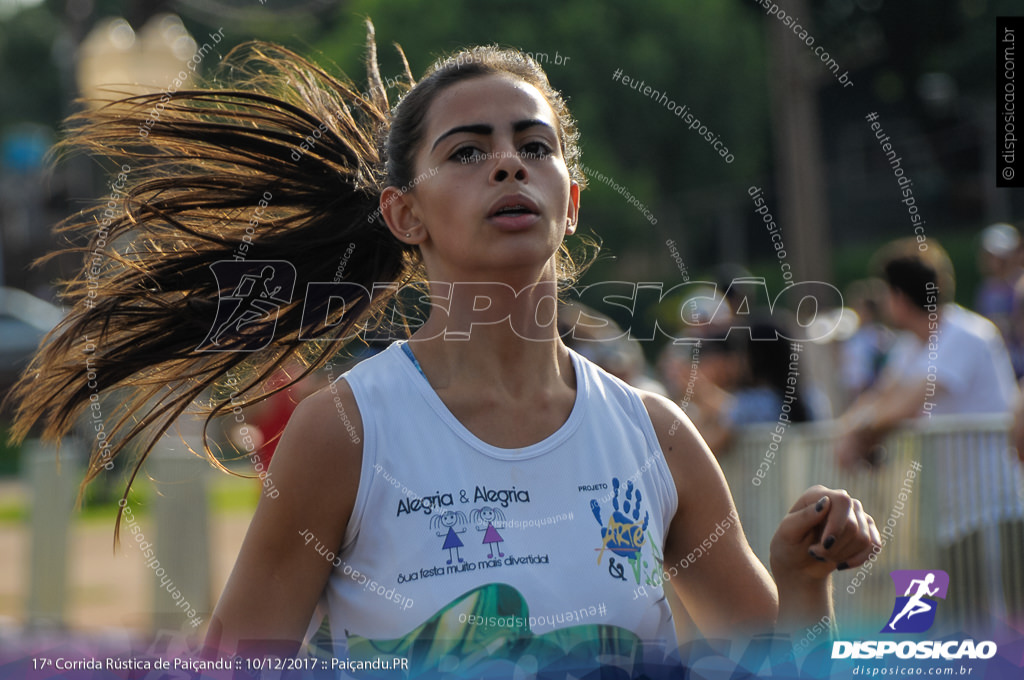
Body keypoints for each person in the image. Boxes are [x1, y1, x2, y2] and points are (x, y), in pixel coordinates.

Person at [6, 24, 879, 676]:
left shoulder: (658, 438)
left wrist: (802, 580)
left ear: (570, 200)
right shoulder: (346, 432)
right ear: (405, 215)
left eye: (533, 147)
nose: (508, 164)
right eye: (468, 151)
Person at [836, 238, 1023, 630]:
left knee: (1002, 627)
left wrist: (859, 432)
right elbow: (879, 398)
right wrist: (853, 427)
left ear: (900, 296)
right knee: (958, 626)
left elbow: (903, 403)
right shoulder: (910, 345)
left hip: (992, 509)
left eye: (885, 291)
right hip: (948, 513)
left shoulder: (968, 334)